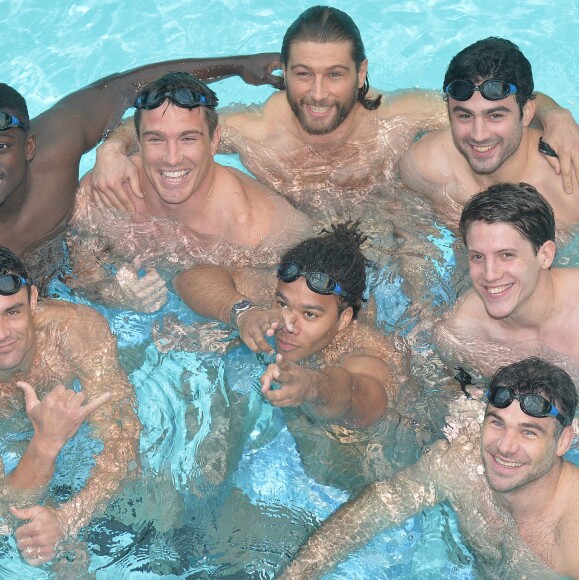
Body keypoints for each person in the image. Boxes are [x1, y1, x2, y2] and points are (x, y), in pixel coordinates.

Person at [91, 7, 578, 220]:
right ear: (283, 71)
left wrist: (557, 119)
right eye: (303, 74)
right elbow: (169, 125)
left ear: (362, 72)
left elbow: (486, 107)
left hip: (392, 238)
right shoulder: (253, 130)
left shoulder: (402, 114)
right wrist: (112, 148)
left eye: (335, 75)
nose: (318, 94)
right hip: (289, 250)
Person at [171, 222, 424, 491]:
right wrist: (242, 312)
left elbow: (355, 395)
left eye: (310, 315)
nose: (287, 324)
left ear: (344, 319)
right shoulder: (284, 294)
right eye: (282, 304)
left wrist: (310, 386)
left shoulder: (368, 352)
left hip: (357, 485)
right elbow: (186, 278)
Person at [281, 357, 579, 579]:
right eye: (496, 423)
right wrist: (298, 574)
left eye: (529, 432)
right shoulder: (463, 464)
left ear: (563, 441)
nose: (504, 446)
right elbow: (377, 507)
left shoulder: (572, 536)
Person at [0, 51, 281, 277]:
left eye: (1, 147)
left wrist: (237, 65)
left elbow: (124, 88)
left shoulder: (58, 148)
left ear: (29, 147)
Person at [68, 72, 314, 312]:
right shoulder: (103, 194)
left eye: (188, 138)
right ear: (139, 143)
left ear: (214, 141)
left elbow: (309, 305)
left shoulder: (260, 228)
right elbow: (81, 278)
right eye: (156, 139)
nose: (172, 158)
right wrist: (118, 296)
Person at [0, 246, 140, 566]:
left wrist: (70, 519)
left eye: (12, 312)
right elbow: (4, 504)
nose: (3, 334)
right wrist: (46, 441)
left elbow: (123, 437)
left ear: (33, 300)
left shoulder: (75, 329)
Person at [401, 37, 579, 234]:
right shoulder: (424, 167)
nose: (479, 135)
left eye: (495, 116)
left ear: (527, 113)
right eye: (465, 116)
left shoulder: (569, 190)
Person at [433, 182, 579, 383]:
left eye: (507, 255)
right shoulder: (464, 335)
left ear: (545, 255)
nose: (490, 275)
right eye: (477, 257)